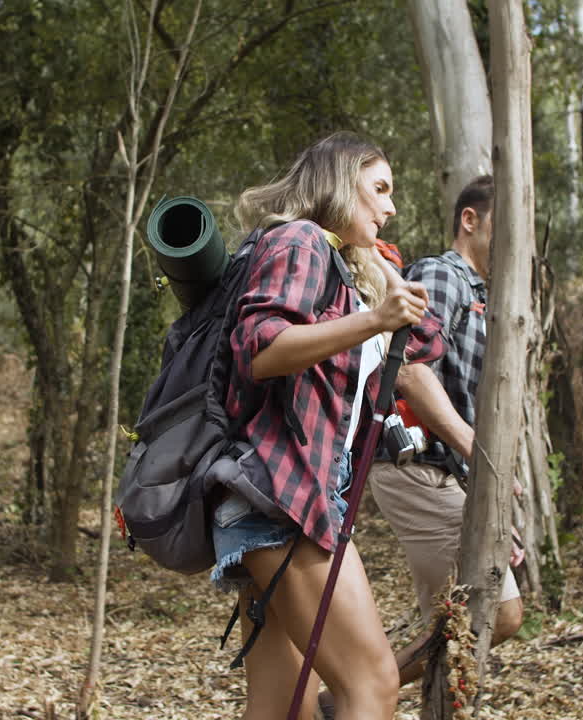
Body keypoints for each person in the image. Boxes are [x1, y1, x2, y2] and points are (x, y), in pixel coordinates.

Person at [212, 131, 445, 720]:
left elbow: (424, 341)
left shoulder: (339, 262)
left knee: (280, 707)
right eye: (380, 189)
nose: (390, 207)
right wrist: (372, 320)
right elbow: (262, 348)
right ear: (342, 184)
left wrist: (378, 275)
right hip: (283, 501)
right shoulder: (299, 239)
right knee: (371, 684)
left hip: (271, 503)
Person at [322, 175, 523, 715]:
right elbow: (406, 370)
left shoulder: (482, 295)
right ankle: (349, 695)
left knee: (456, 616)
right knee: (493, 612)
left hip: (449, 471)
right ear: (470, 220)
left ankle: (364, 691)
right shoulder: (442, 273)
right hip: (418, 464)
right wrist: (481, 458)